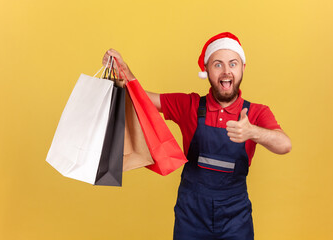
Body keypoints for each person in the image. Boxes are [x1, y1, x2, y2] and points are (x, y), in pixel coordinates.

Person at [102, 32, 292, 240]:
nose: (226, 71)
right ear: (207, 70)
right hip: (191, 215)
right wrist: (125, 73)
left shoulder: (256, 113)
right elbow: (143, 100)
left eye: (233, 64)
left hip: (236, 218)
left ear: (242, 68)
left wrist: (252, 131)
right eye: (218, 64)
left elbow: (284, 145)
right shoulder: (189, 105)